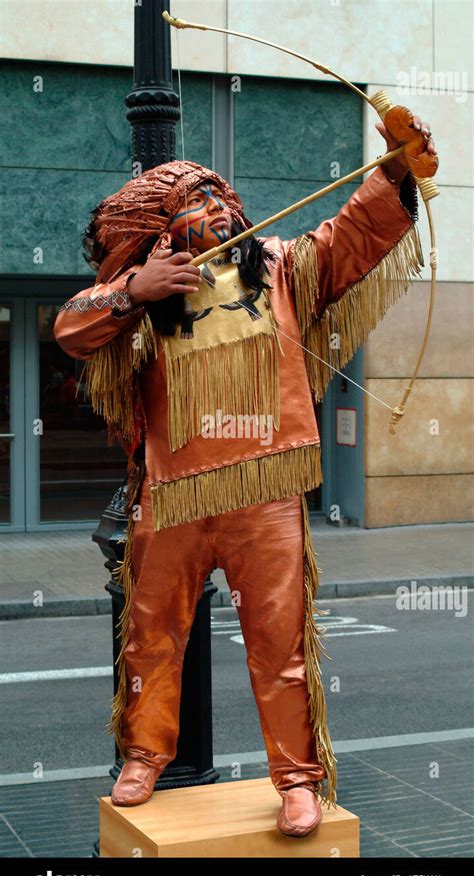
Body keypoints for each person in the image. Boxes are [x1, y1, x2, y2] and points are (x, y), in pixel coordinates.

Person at [54, 114, 437, 838]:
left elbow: (352, 234)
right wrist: (137, 288)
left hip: (266, 486)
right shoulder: (148, 292)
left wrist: (394, 169)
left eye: (219, 197)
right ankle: (144, 755)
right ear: (164, 231)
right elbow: (73, 327)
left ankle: (296, 777)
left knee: (278, 638)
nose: (216, 209)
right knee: (151, 631)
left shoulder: (285, 265)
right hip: (174, 491)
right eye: (195, 202)